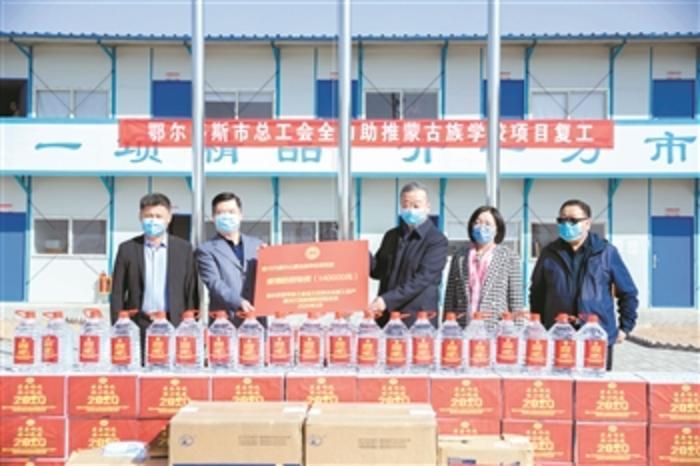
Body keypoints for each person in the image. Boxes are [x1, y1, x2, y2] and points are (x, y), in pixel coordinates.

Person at [529, 199, 638, 370]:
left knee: (595, 385)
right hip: (559, 336)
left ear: (587, 223)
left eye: (573, 220)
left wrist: (625, 327)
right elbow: (537, 293)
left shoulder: (606, 253)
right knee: (560, 384)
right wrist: (541, 326)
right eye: (562, 220)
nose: (567, 225)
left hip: (596, 337)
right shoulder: (549, 254)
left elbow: (628, 292)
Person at [110, 193, 199, 348]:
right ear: (140, 216)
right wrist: (118, 328)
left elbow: (191, 290)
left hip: (174, 324)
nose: (153, 221)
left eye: (158, 216)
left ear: (169, 218)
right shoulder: (127, 249)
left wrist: (190, 326)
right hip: (138, 324)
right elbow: (118, 292)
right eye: (148, 216)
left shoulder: (183, 249)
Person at [369, 181, 448, 327]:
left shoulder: (436, 240)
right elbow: (377, 271)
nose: (410, 210)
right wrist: (360, 254)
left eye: (416, 206)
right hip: (387, 319)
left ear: (427, 207)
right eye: (405, 205)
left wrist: (386, 300)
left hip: (417, 320)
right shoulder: (392, 236)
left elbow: (421, 280)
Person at [443, 205, 523, 331]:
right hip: (463, 328)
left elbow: (515, 300)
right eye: (477, 223)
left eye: (488, 224)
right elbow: (450, 296)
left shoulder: (509, 257)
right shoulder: (460, 256)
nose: (481, 227)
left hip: (496, 329)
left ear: (497, 229)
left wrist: (517, 332)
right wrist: (447, 328)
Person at [195, 192, 264, 325]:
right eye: (221, 213)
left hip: (257, 319)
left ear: (241, 215)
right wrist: (239, 302)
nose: (227, 216)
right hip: (225, 321)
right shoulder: (206, 250)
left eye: (231, 212)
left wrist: (269, 260)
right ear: (213, 218)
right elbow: (214, 283)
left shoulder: (258, 246)